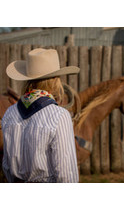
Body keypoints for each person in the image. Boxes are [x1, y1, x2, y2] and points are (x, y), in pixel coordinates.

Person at [2, 48, 80, 183]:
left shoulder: (10, 113)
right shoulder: (59, 116)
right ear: (56, 80)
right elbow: (67, 174)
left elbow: (7, 166)